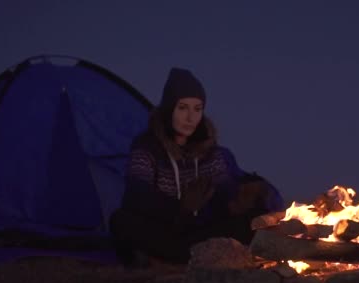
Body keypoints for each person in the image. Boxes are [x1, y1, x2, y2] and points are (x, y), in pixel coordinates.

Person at [109, 67, 284, 266]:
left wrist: (240, 198)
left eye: (197, 109)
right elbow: (136, 196)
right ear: (169, 108)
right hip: (166, 228)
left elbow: (224, 192)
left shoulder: (209, 152)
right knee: (120, 221)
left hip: (199, 231)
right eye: (183, 108)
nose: (190, 117)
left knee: (252, 221)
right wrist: (180, 208)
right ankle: (186, 256)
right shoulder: (147, 149)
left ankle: (174, 257)